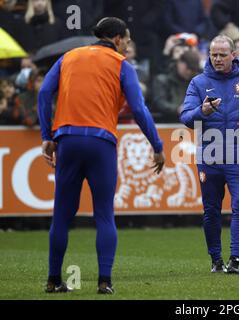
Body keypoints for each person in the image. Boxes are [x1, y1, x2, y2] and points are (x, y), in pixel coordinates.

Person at [38, 17, 165, 294]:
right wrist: (157, 145)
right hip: (101, 143)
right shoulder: (122, 66)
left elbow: (45, 92)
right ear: (117, 38)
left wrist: (47, 136)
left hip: (67, 140)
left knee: (61, 216)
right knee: (105, 215)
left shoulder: (68, 57)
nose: (127, 48)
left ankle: (53, 279)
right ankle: (104, 282)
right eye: (127, 42)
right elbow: (140, 110)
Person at [180, 35, 239, 274]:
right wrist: (202, 110)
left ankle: (235, 259)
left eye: (222, 55)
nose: (218, 59)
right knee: (211, 209)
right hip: (209, 157)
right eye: (214, 54)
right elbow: (186, 117)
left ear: (234, 55)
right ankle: (216, 260)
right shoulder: (198, 83)